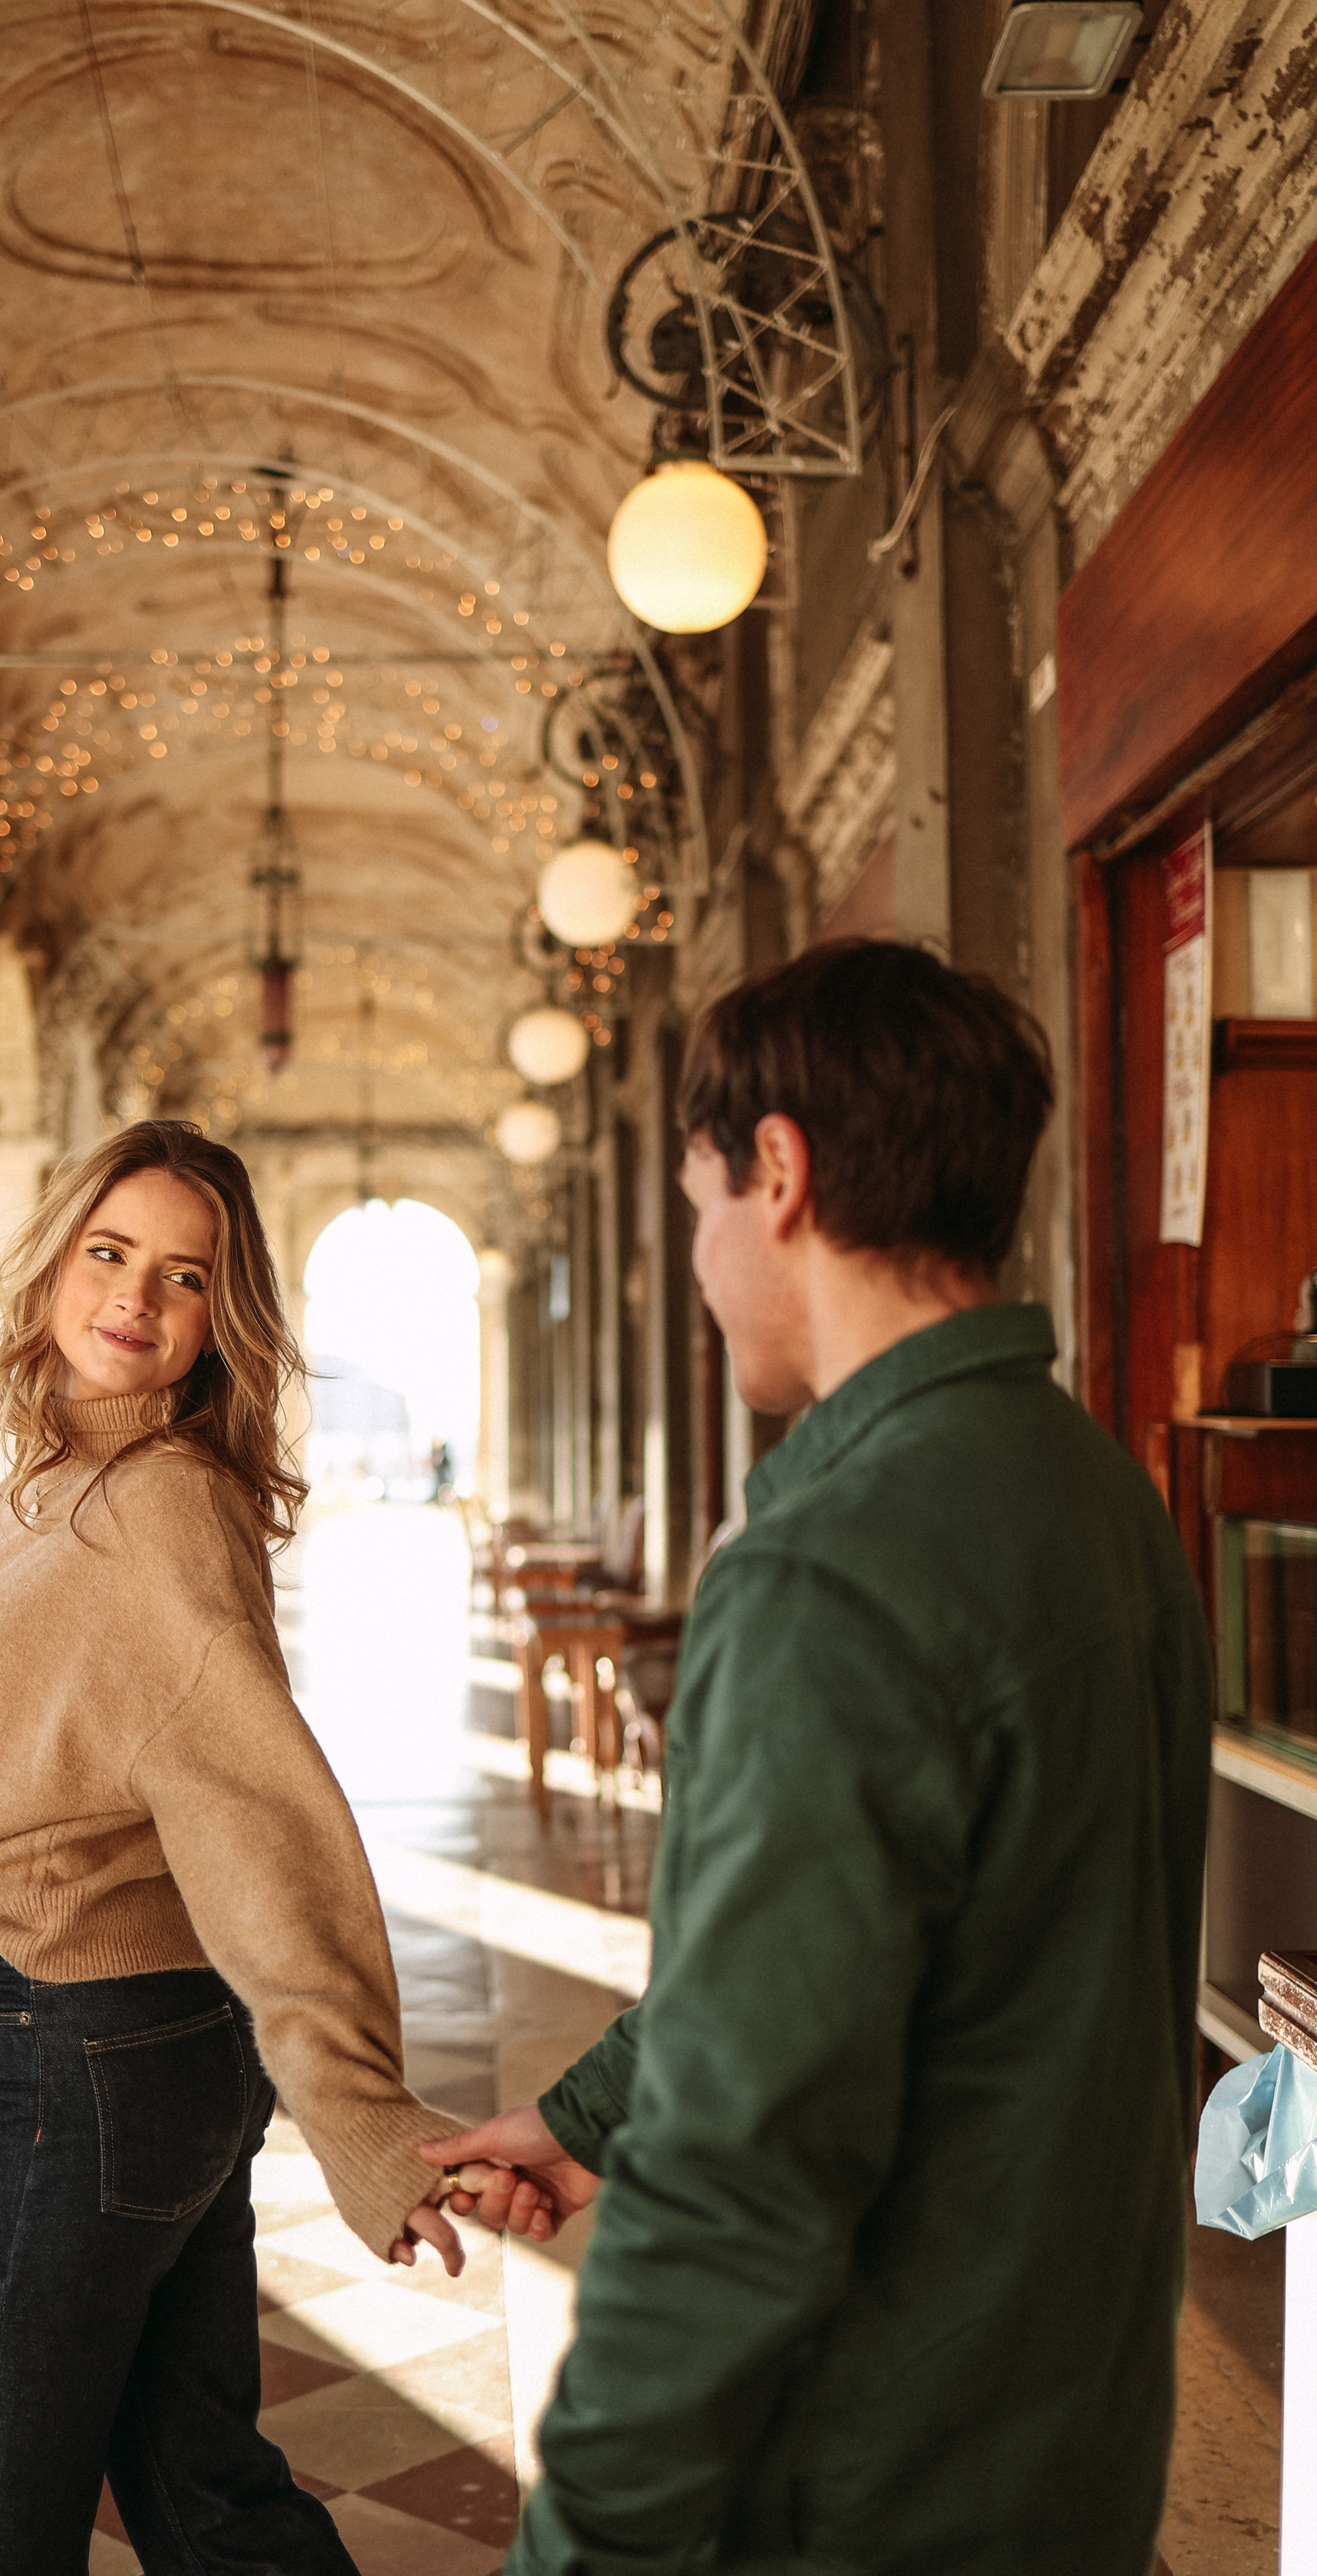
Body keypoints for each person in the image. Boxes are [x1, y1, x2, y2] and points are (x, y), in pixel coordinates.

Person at [423, 940, 1212, 2576]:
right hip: (1065, 2445)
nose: (701, 1264)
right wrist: (588, 2114)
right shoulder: (1091, 1492)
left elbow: (737, 2178)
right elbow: (907, 1959)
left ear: (775, 1174)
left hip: (868, 2487)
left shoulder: (829, 1570)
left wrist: (584, 2544)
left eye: (698, 1205)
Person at [0, 1120, 465, 2576]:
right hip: (110, 2048)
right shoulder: (42, 1485)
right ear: (53, 1262)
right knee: (205, 2501)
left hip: (87, 2057)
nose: (135, 1297)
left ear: (220, 1319)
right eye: (109, 1252)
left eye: (184, 1276)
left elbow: (266, 1822)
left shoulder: (160, 1507)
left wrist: (363, 2119)